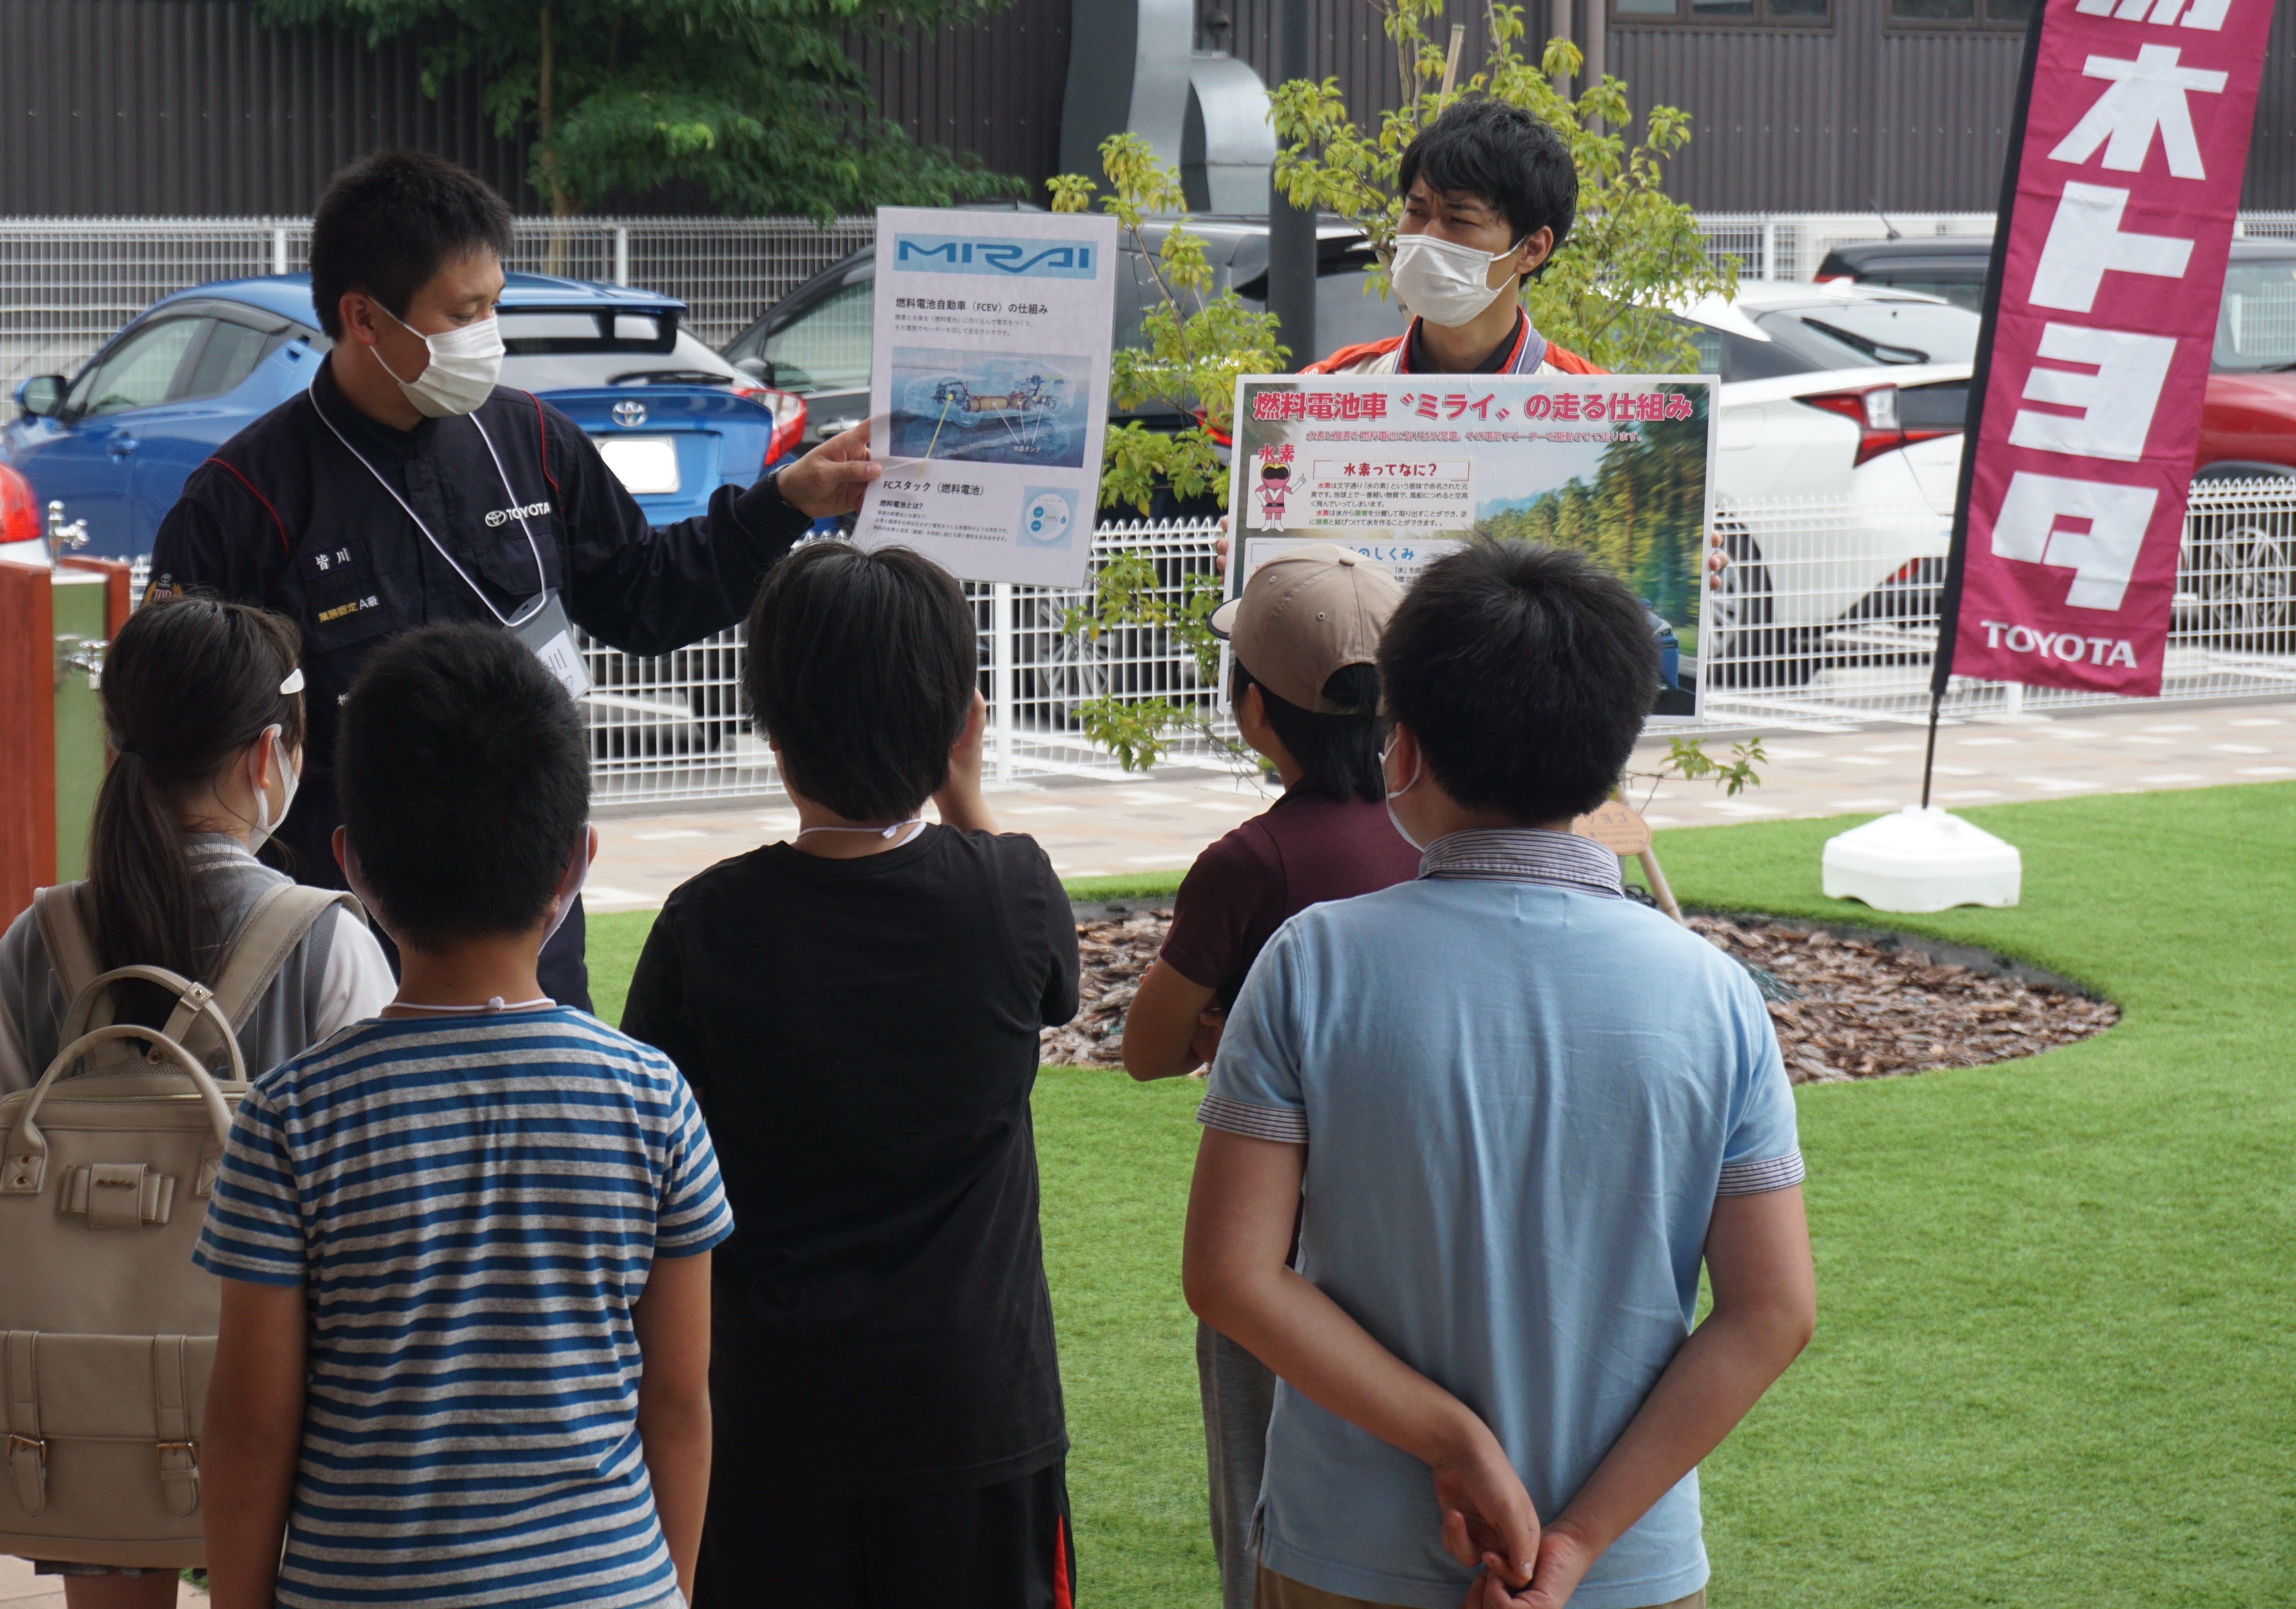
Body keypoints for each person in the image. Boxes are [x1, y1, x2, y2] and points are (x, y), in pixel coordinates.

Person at [1183, 540, 1815, 1609]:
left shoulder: (1314, 960)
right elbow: (1772, 1312)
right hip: (1626, 1571)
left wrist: (1452, 1438)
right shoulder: (1711, 992)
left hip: (1349, 1552)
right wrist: (1575, 1542)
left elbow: (1232, 1275)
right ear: (1613, 753)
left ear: (1403, 746)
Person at [147, 149, 881, 1011]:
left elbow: (647, 594)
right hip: (338, 932)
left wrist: (787, 501)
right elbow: (182, 749)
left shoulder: (532, 440)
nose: (489, 334)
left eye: (495, 305)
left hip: (531, 919)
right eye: (465, 312)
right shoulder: (246, 499)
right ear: (365, 318)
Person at [195, 623, 728, 1609]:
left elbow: (250, 1423)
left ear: (353, 863)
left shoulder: (290, 1121)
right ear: (576, 862)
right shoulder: (651, 1098)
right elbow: (681, 1398)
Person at [621, 542, 1082, 1609]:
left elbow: (655, 1187)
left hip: (769, 1416)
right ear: (955, 722)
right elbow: (1052, 974)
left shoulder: (706, 923)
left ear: (772, 728)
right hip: (975, 1411)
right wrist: (963, 785)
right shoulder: (1009, 891)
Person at [0, 592, 392, 1609]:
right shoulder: (328, 939)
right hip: (295, 1396)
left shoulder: (42, 938)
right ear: (263, 756)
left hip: (79, 1381)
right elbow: (375, 1212)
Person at [1113, 545, 1415, 1609]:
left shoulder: (1249, 864)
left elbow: (1145, 1049)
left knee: (1265, 1507)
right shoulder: (1442, 835)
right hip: (1422, 1224)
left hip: (1279, 1249)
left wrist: (1226, 1023)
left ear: (1253, 707)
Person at [1310, 99, 1601, 377]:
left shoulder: (1594, 409)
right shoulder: (1329, 394)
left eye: (1460, 220)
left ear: (1532, 249)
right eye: (1416, 212)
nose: (1428, 237)